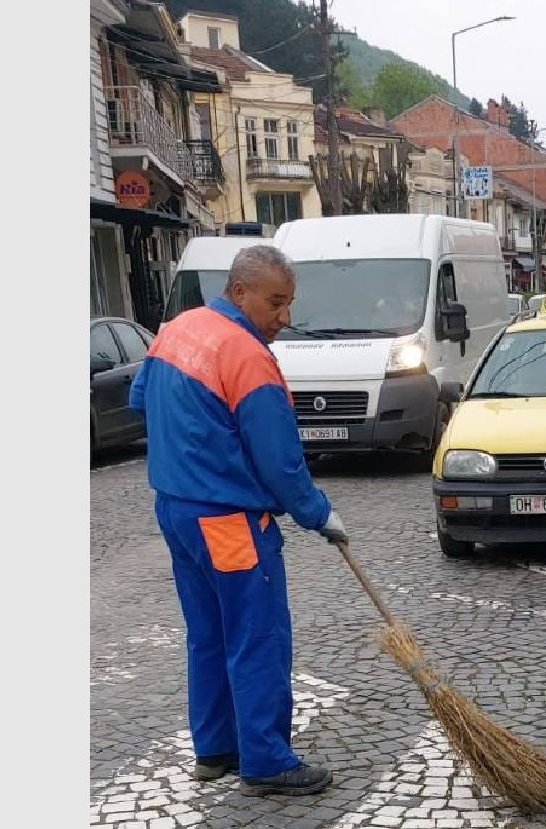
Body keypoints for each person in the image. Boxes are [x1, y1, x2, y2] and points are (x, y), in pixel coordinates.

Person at [129, 245, 345, 798]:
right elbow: (279, 459)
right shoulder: (247, 355)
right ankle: (267, 760)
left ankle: (215, 749)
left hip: (176, 512)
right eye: (276, 303)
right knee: (257, 637)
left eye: (288, 304)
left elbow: (138, 398)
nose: (284, 317)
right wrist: (318, 513)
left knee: (207, 635)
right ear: (241, 291)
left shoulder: (176, 329)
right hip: (228, 521)